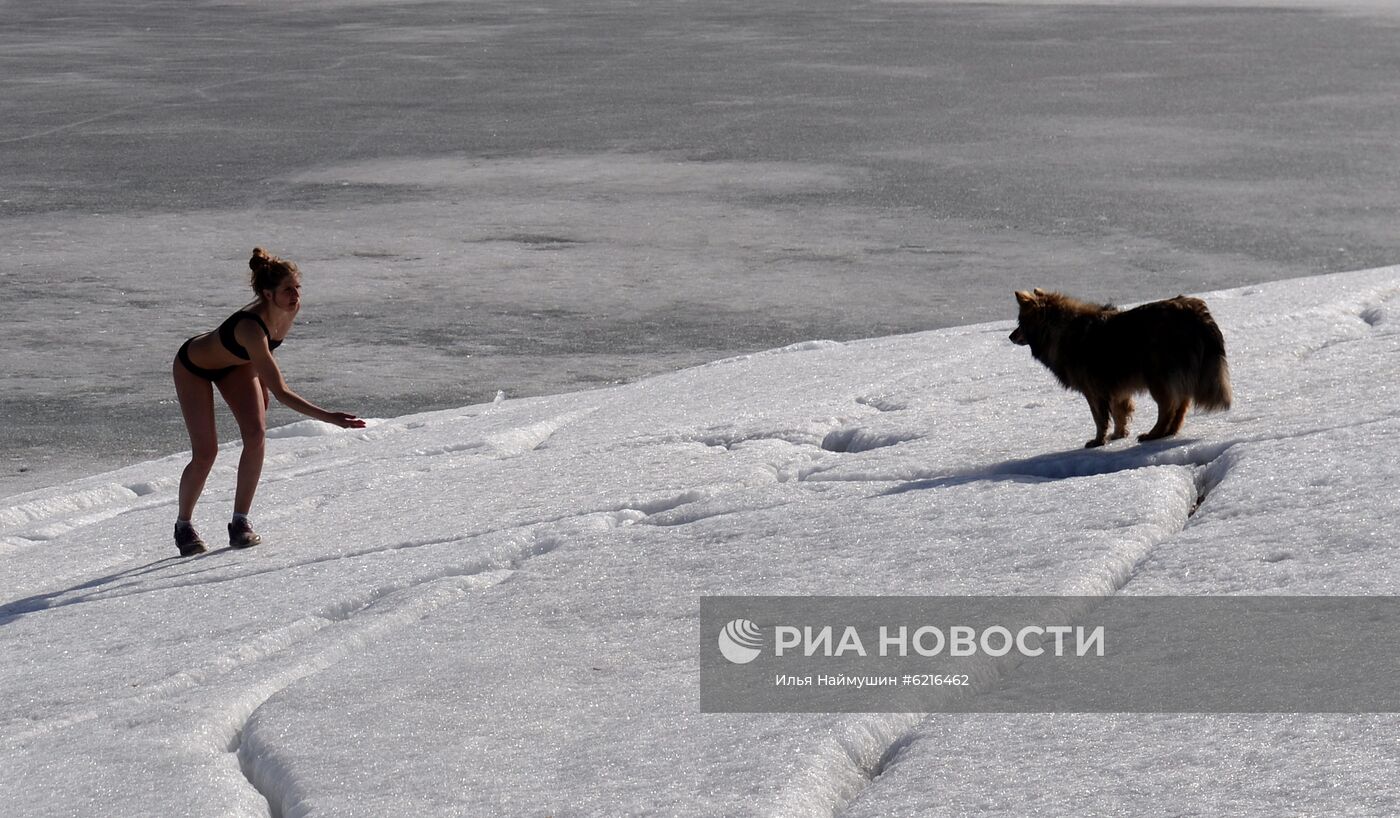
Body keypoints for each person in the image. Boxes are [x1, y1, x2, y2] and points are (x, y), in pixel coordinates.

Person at [171, 247, 365, 556]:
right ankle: (183, 525)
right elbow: (282, 391)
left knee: (256, 434)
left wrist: (259, 383)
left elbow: (265, 357)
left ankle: (240, 523)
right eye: (288, 290)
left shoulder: (289, 310)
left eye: (297, 288)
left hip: (239, 364)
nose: (295, 296)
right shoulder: (250, 327)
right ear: (267, 294)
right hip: (195, 367)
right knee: (206, 452)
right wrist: (330, 417)